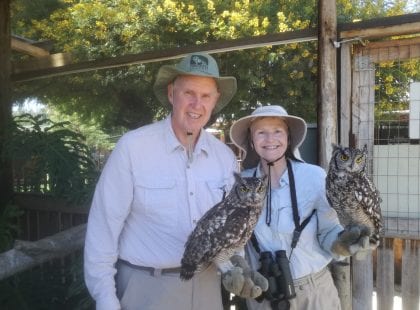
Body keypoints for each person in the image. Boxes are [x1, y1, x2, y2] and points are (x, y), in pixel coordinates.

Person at [84, 53, 267, 310]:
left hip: (206, 288)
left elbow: (228, 230)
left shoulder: (223, 157)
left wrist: (237, 267)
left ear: (215, 101)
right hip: (146, 289)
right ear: (171, 94)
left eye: (205, 96)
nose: (196, 104)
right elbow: (102, 231)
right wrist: (106, 300)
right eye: (188, 93)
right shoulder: (133, 148)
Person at [229, 105, 371, 310]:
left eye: (277, 131)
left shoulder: (314, 177)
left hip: (314, 294)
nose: (270, 139)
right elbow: (236, 241)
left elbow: (329, 231)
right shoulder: (240, 184)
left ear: (288, 137)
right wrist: (237, 270)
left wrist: (343, 243)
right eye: (261, 132)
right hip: (263, 296)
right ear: (251, 140)